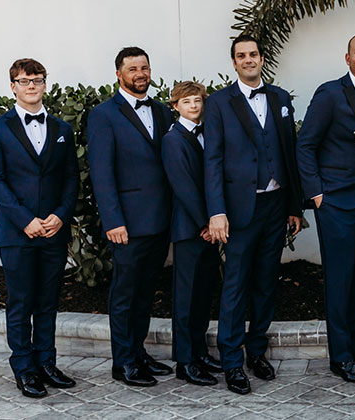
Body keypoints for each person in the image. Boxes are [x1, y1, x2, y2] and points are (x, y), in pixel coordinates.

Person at [205, 34, 303, 394]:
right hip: (238, 208)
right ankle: (231, 360)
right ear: (234, 63)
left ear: (262, 59)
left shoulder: (279, 98)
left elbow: (289, 154)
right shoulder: (218, 103)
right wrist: (216, 211)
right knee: (235, 284)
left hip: (276, 205)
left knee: (265, 281)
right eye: (241, 56)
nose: (248, 60)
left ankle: (256, 351)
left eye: (254, 54)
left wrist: (294, 206)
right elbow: (212, 160)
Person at [296, 32, 355, 384]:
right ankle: (341, 358)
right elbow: (305, 145)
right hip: (335, 203)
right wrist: (317, 195)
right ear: (347, 57)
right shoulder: (329, 93)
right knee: (339, 280)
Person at [0, 58, 79, 398]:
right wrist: (25, 220)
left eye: (37, 79)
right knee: (22, 303)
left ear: (45, 84)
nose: (32, 85)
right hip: (16, 232)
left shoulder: (62, 130)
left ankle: (46, 362)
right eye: (24, 81)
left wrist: (60, 215)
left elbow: (70, 180)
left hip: (54, 230)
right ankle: (24, 367)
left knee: (48, 301)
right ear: (13, 86)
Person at [88, 46, 174, 387]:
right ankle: (122, 362)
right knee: (124, 294)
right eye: (133, 68)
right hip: (126, 223)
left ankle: (138, 352)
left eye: (145, 67)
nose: (140, 74)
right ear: (119, 75)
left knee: (145, 292)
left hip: (160, 219)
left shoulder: (163, 111)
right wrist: (113, 221)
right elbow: (101, 172)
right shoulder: (104, 115)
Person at [161, 81, 223, 386]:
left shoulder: (208, 134)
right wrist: (205, 223)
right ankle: (185, 361)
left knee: (202, 295)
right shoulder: (173, 140)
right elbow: (183, 186)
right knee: (185, 298)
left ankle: (200, 353)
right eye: (187, 102)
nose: (194, 106)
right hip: (191, 229)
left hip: (210, 229)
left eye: (198, 100)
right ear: (176, 106)